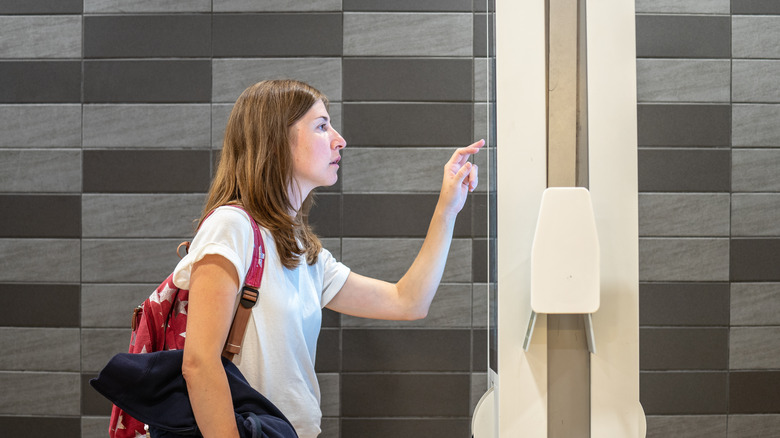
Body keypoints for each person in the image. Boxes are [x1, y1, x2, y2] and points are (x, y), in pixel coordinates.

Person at [172, 79, 483, 438]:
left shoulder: (302, 250)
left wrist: (448, 207)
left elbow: (408, 301)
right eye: (321, 126)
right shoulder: (232, 227)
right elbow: (199, 363)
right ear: (275, 142)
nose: (339, 139)